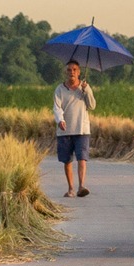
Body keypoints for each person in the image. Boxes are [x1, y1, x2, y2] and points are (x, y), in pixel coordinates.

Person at [53, 60, 97, 198]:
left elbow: (92, 106)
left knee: (82, 158)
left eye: (74, 70)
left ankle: (81, 186)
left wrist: (87, 90)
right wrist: (60, 120)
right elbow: (57, 107)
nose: (72, 72)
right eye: (69, 70)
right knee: (67, 160)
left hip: (82, 129)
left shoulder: (84, 88)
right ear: (66, 72)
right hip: (65, 130)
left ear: (79, 72)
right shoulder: (60, 89)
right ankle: (71, 188)